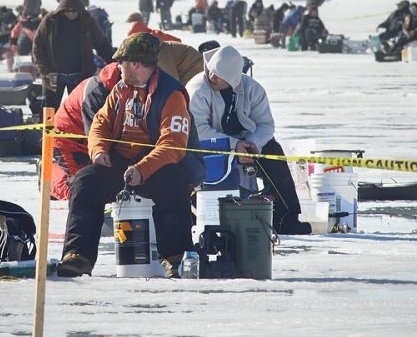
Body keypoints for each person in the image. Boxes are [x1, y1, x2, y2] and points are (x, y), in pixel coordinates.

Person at [58, 32, 204, 278]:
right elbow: (100, 123)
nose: (118, 66)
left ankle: (175, 256)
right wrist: (99, 150)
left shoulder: (172, 95)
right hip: (122, 161)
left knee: (174, 184)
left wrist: (142, 170)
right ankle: (78, 255)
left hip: (159, 162)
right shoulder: (120, 89)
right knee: (85, 181)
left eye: (121, 62)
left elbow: (173, 145)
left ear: (135, 64)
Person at [186, 46, 312, 235]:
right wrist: (234, 146)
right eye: (212, 71)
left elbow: (266, 124)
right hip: (209, 146)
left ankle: (286, 217)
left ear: (233, 79)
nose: (213, 77)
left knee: (274, 153)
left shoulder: (253, 89)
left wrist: (254, 145)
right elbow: (197, 129)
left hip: (246, 142)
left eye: (219, 76)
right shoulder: (197, 89)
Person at [32, 0, 114, 110]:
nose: (70, 13)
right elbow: (38, 47)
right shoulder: (50, 21)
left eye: (74, 11)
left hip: (80, 76)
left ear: (79, 9)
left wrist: (114, 62)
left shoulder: (87, 21)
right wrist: (45, 71)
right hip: (54, 76)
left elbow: (102, 44)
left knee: (80, 113)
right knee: (49, 113)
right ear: (61, 9)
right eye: (67, 11)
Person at [50, 63, 122, 201]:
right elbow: (97, 133)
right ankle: (50, 175)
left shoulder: (125, 85)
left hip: (87, 138)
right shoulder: (96, 92)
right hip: (68, 141)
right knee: (79, 191)